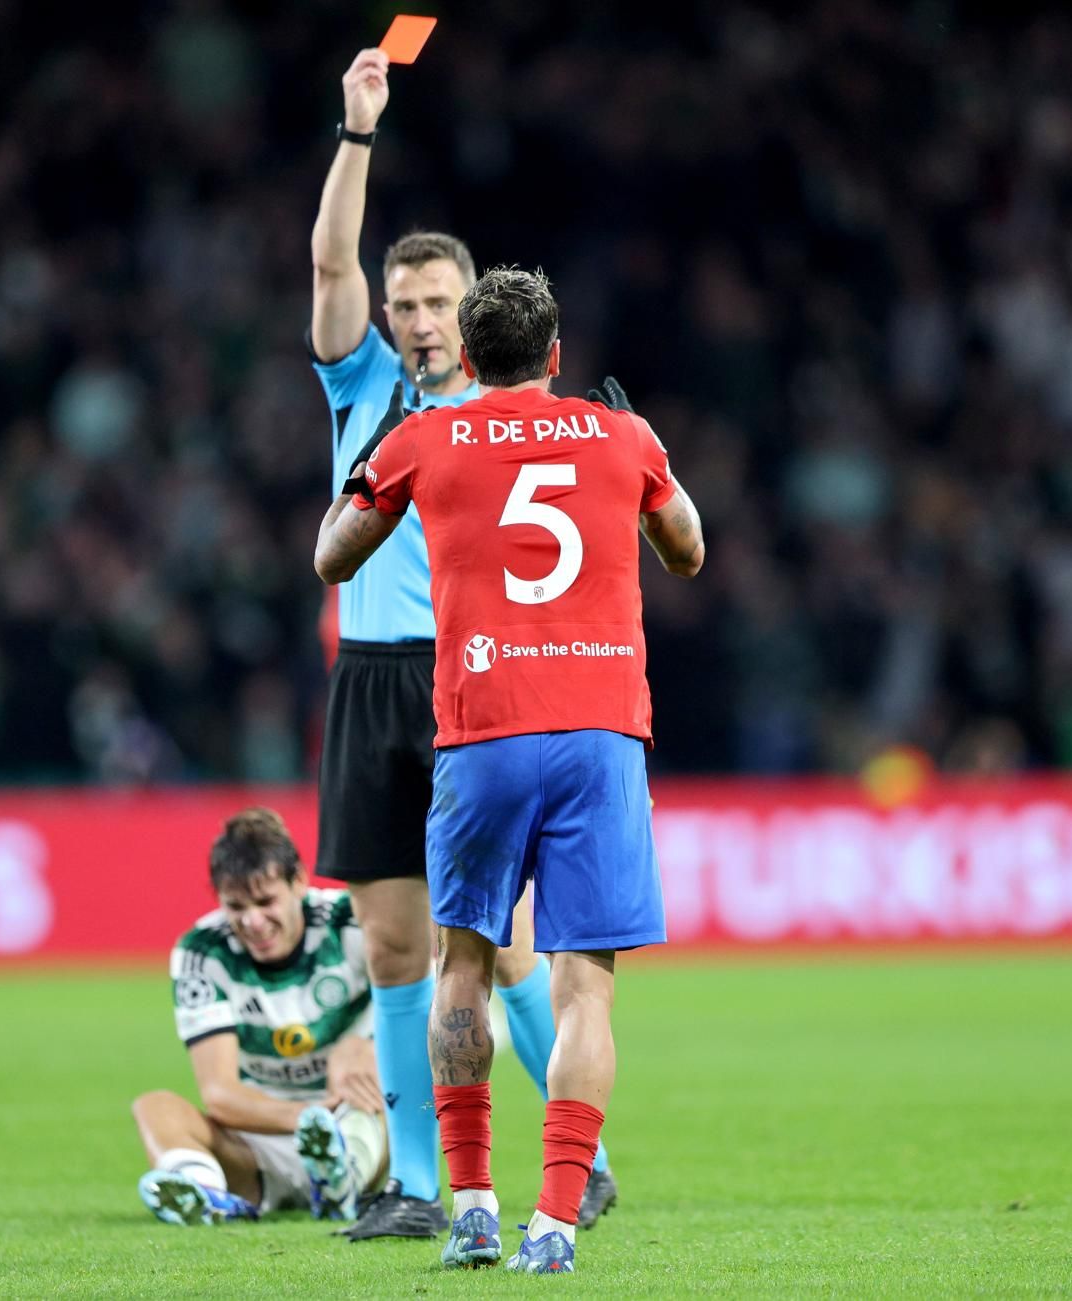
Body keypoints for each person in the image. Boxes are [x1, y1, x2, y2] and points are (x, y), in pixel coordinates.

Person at [314, 267, 704, 1273]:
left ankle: (474, 1202)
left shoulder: (426, 433)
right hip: (600, 736)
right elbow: (690, 549)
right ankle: (559, 1221)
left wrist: (378, 472)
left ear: (471, 359)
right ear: (559, 355)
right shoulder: (624, 433)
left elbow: (332, 557)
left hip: (482, 731)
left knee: (463, 966)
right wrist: (639, 459)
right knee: (584, 989)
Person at [307, 46, 616, 1240]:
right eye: (409, 304)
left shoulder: (508, 410)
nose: (423, 321)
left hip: (472, 682)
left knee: (498, 939)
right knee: (393, 940)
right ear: (387, 315)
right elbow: (332, 254)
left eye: (442, 303)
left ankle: (576, 1152)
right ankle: (419, 1182)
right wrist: (359, 133)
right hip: (371, 680)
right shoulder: (362, 385)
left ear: (470, 309)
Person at [132, 807, 388, 1226]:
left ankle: (343, 1181)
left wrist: (371, 1046)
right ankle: (207, 1192)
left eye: (266, 901)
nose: (253, 921)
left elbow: (429, 1009)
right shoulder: (201, 953)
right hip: (259, 1139)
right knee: (154, 1107)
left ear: (299, 882)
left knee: (396, 1092)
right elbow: (219, 1094)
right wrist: (309, 1121)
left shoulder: (351, 922)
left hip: (357, 1122)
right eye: (236, 906)